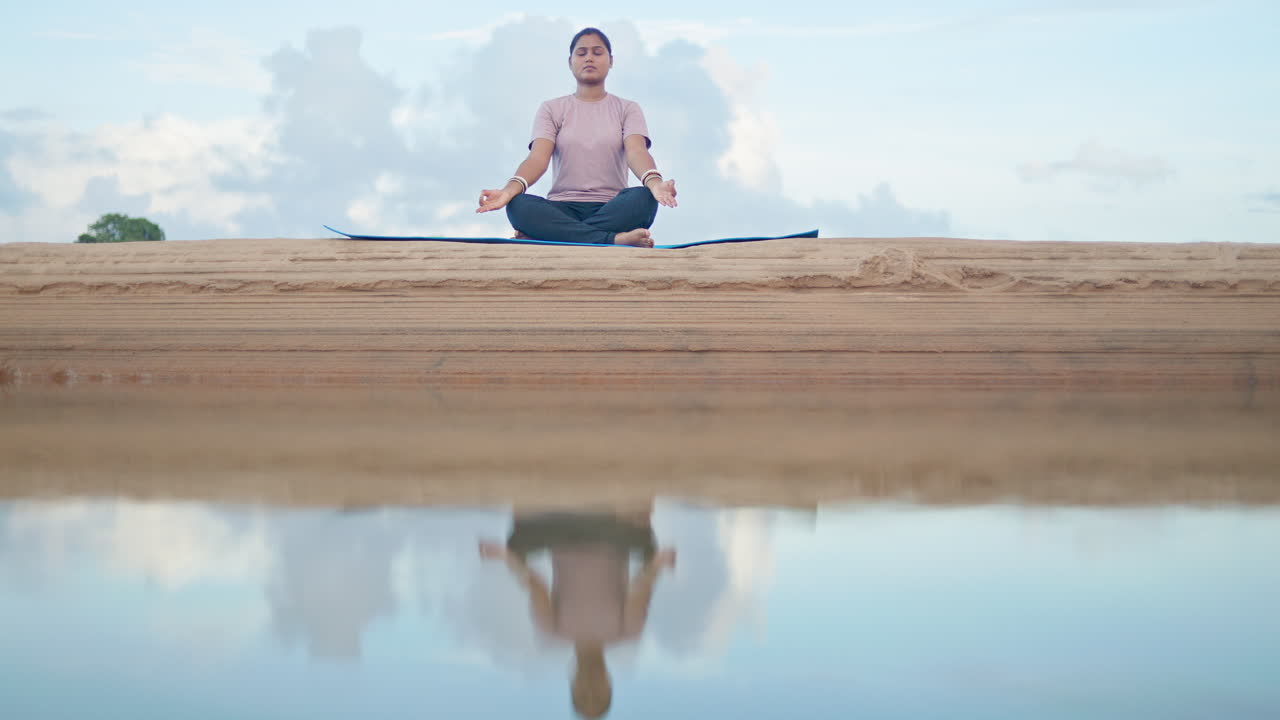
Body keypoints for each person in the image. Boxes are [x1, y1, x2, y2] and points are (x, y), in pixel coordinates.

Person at [476, 27, 678, 248]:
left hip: (611, 208)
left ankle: (550, 237)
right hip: (561, 208)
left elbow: (636, 151)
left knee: (644, 198)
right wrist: (508, 191)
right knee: (518, 205)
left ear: (611, 60)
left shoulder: (627, 109)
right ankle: (612, 240)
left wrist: (656, 184)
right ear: (570, 62)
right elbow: (537, 159)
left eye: (597, 52)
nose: (589, 58)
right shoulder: (552, 109)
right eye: (581, 53)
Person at [480, 509, 676, 719]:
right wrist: (659, 564)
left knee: (516, 546)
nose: (590, 686)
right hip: (613, 535)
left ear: (573, 684)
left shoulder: (552, 630)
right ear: (608, 682)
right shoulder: (627, 632)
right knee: (647, 549)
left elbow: (534, 585)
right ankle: (629, 508)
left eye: (583, 694)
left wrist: (505, 556)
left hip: (561, 534)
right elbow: (642, 584)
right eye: (598, 694)